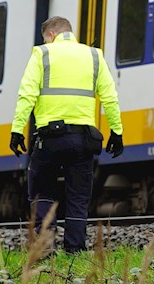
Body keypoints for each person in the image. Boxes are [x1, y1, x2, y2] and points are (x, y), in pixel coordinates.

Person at [10, 15, 123, 253]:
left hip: (49, 139)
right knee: (78, 196)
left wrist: (17, 130)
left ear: (50, 35)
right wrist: (117, 131)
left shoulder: (42, 54)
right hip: (83, 140)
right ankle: (75, 249)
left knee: (41, 192)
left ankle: (44, 248)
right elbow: (110, 97)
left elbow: (26, 95)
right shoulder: (94, 56)